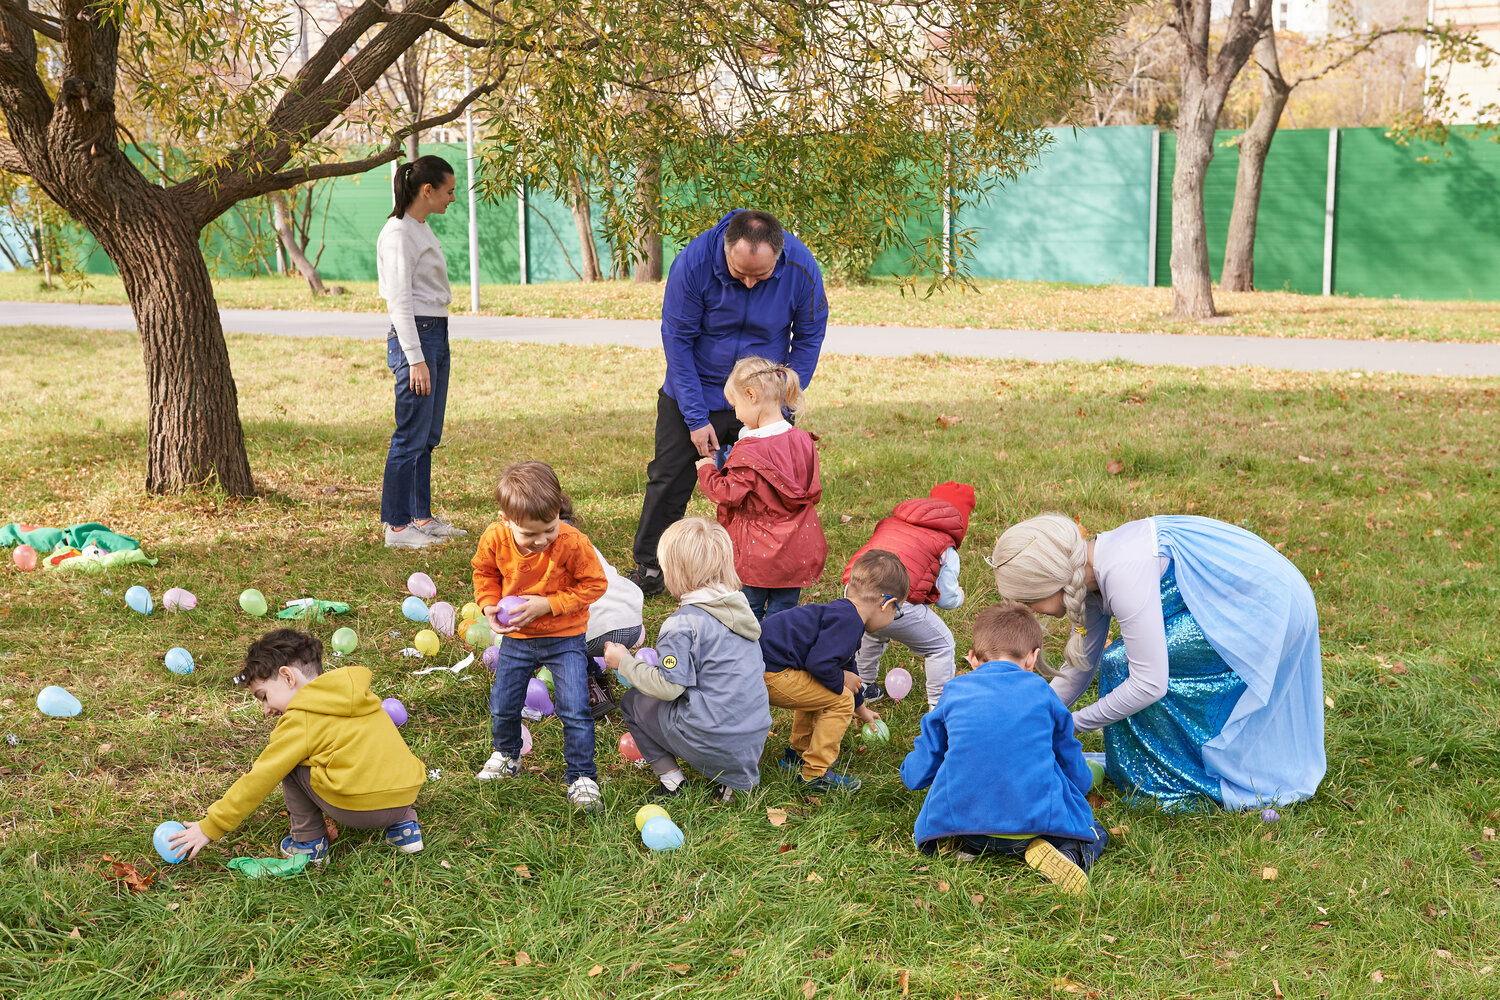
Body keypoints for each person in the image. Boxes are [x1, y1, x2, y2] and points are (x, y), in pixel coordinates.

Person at [988, 513, 1326, 811]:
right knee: (1121, 662)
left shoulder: (1122, 573)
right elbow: (1079, 669)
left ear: (1051, 583)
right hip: (1254, 602)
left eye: (1029, 601)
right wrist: (1033, 715)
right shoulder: (1091, 570)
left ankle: (1158, 781)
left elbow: (1149, 683)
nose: (1031, 610)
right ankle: (1153, 766)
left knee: (1121, 664)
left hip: (1267, 612)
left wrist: (1071, 724)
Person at [627, 209, 829, 596]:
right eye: (740, 275)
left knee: (766, 490)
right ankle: (651, 567)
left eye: (761, 275)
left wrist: (779, 407)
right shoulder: (693, 263)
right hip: (695, 388)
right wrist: (694, 417)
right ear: (725, 249)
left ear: (780, 255)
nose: (750, 283)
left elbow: (808, 335)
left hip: (761, 398)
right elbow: (678, 342)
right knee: (668, 477)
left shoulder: (802, 268)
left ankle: (756, 567)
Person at [165, 629, 426, 864]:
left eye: (264, 696)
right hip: (405, 794)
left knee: (287, 766)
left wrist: (211, 825)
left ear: (288, 677)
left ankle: (308, 843)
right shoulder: (359, 695)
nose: (266, 710)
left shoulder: (301, 718)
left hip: (357, 810)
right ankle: (405, 829)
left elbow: (260, 778)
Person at [901, 603, 1106, 894]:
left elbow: (921, 768)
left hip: (966, 828)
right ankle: (1069, 854)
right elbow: (1070, 758)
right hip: (1038, 825)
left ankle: (969, 849)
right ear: (1032, 659)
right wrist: (1083, 783)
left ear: (972, 658)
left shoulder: (954, 692)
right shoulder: (1043, 694)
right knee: (1095, 832)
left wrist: (908, 770)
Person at [471, 462, 608, 812]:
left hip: (565, 638)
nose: (541, 540)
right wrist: (488, 607)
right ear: (506, 519)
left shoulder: (572, 542)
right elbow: (484, 573)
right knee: (503, 703)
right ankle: (507, 755)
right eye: (529, 535)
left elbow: (594, 584)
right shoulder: (495, 539)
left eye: (548, 528)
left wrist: (547, 605)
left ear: (558, 511)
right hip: (517, 638)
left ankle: (581, 776)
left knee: (575, 708)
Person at [604, 517, 772, 803]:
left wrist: (624, 662)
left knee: (633, 702)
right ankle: (731, 781)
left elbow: (669, 688)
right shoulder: (740, 613)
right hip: (752, 737)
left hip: (712, 737)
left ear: (674, 573)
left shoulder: (682, 625)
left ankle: (671, 782)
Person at [758, 549, 905, 793]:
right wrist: (843, 683)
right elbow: (820, 665)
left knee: (826, 688)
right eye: (897, 612)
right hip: (769, 674)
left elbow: (847, 665)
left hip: (764, 667)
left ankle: (799, 755)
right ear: (886, 603)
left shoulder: (843, 614)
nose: (894, 617)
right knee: (839, 700)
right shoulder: (849, 623)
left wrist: (862, 710)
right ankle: (814, 774)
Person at [377, 154, 467, 549]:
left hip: (436, 332)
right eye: (448, 191)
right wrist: (415, 358)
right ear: (427, 190)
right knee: (409, 436)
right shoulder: (398, 233)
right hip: (417, 337)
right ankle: (396, 527)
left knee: (427, 436)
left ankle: (420, 517)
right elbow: (399, 302)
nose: (452, 198)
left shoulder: (419, 227)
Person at [694, 356, 826, 620]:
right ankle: (778, 655)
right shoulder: (802, 439)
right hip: (796, 547)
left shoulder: (750, 453)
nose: (736, 414)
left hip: (756, 552)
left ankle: (750, 656)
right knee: (784, 614)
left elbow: (726, 493)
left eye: (735, 405)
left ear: (751, 396)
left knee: (748, 612)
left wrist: (706, 468)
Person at [842, 482, 976, 708]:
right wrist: (959, 596)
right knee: (941, 645)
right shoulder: (945, 545)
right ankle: (939, 706)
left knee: (873, 629)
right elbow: (946, 598)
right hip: (895, 600)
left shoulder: (893, 522)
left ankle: (863, 687)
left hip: (854, 589)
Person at [559, 497, 645, 719]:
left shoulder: (550, 546)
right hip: (631, 622)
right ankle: (600, 682)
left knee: (558, 637)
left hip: (601, 629)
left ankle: (589, 690)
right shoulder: (582, 540)